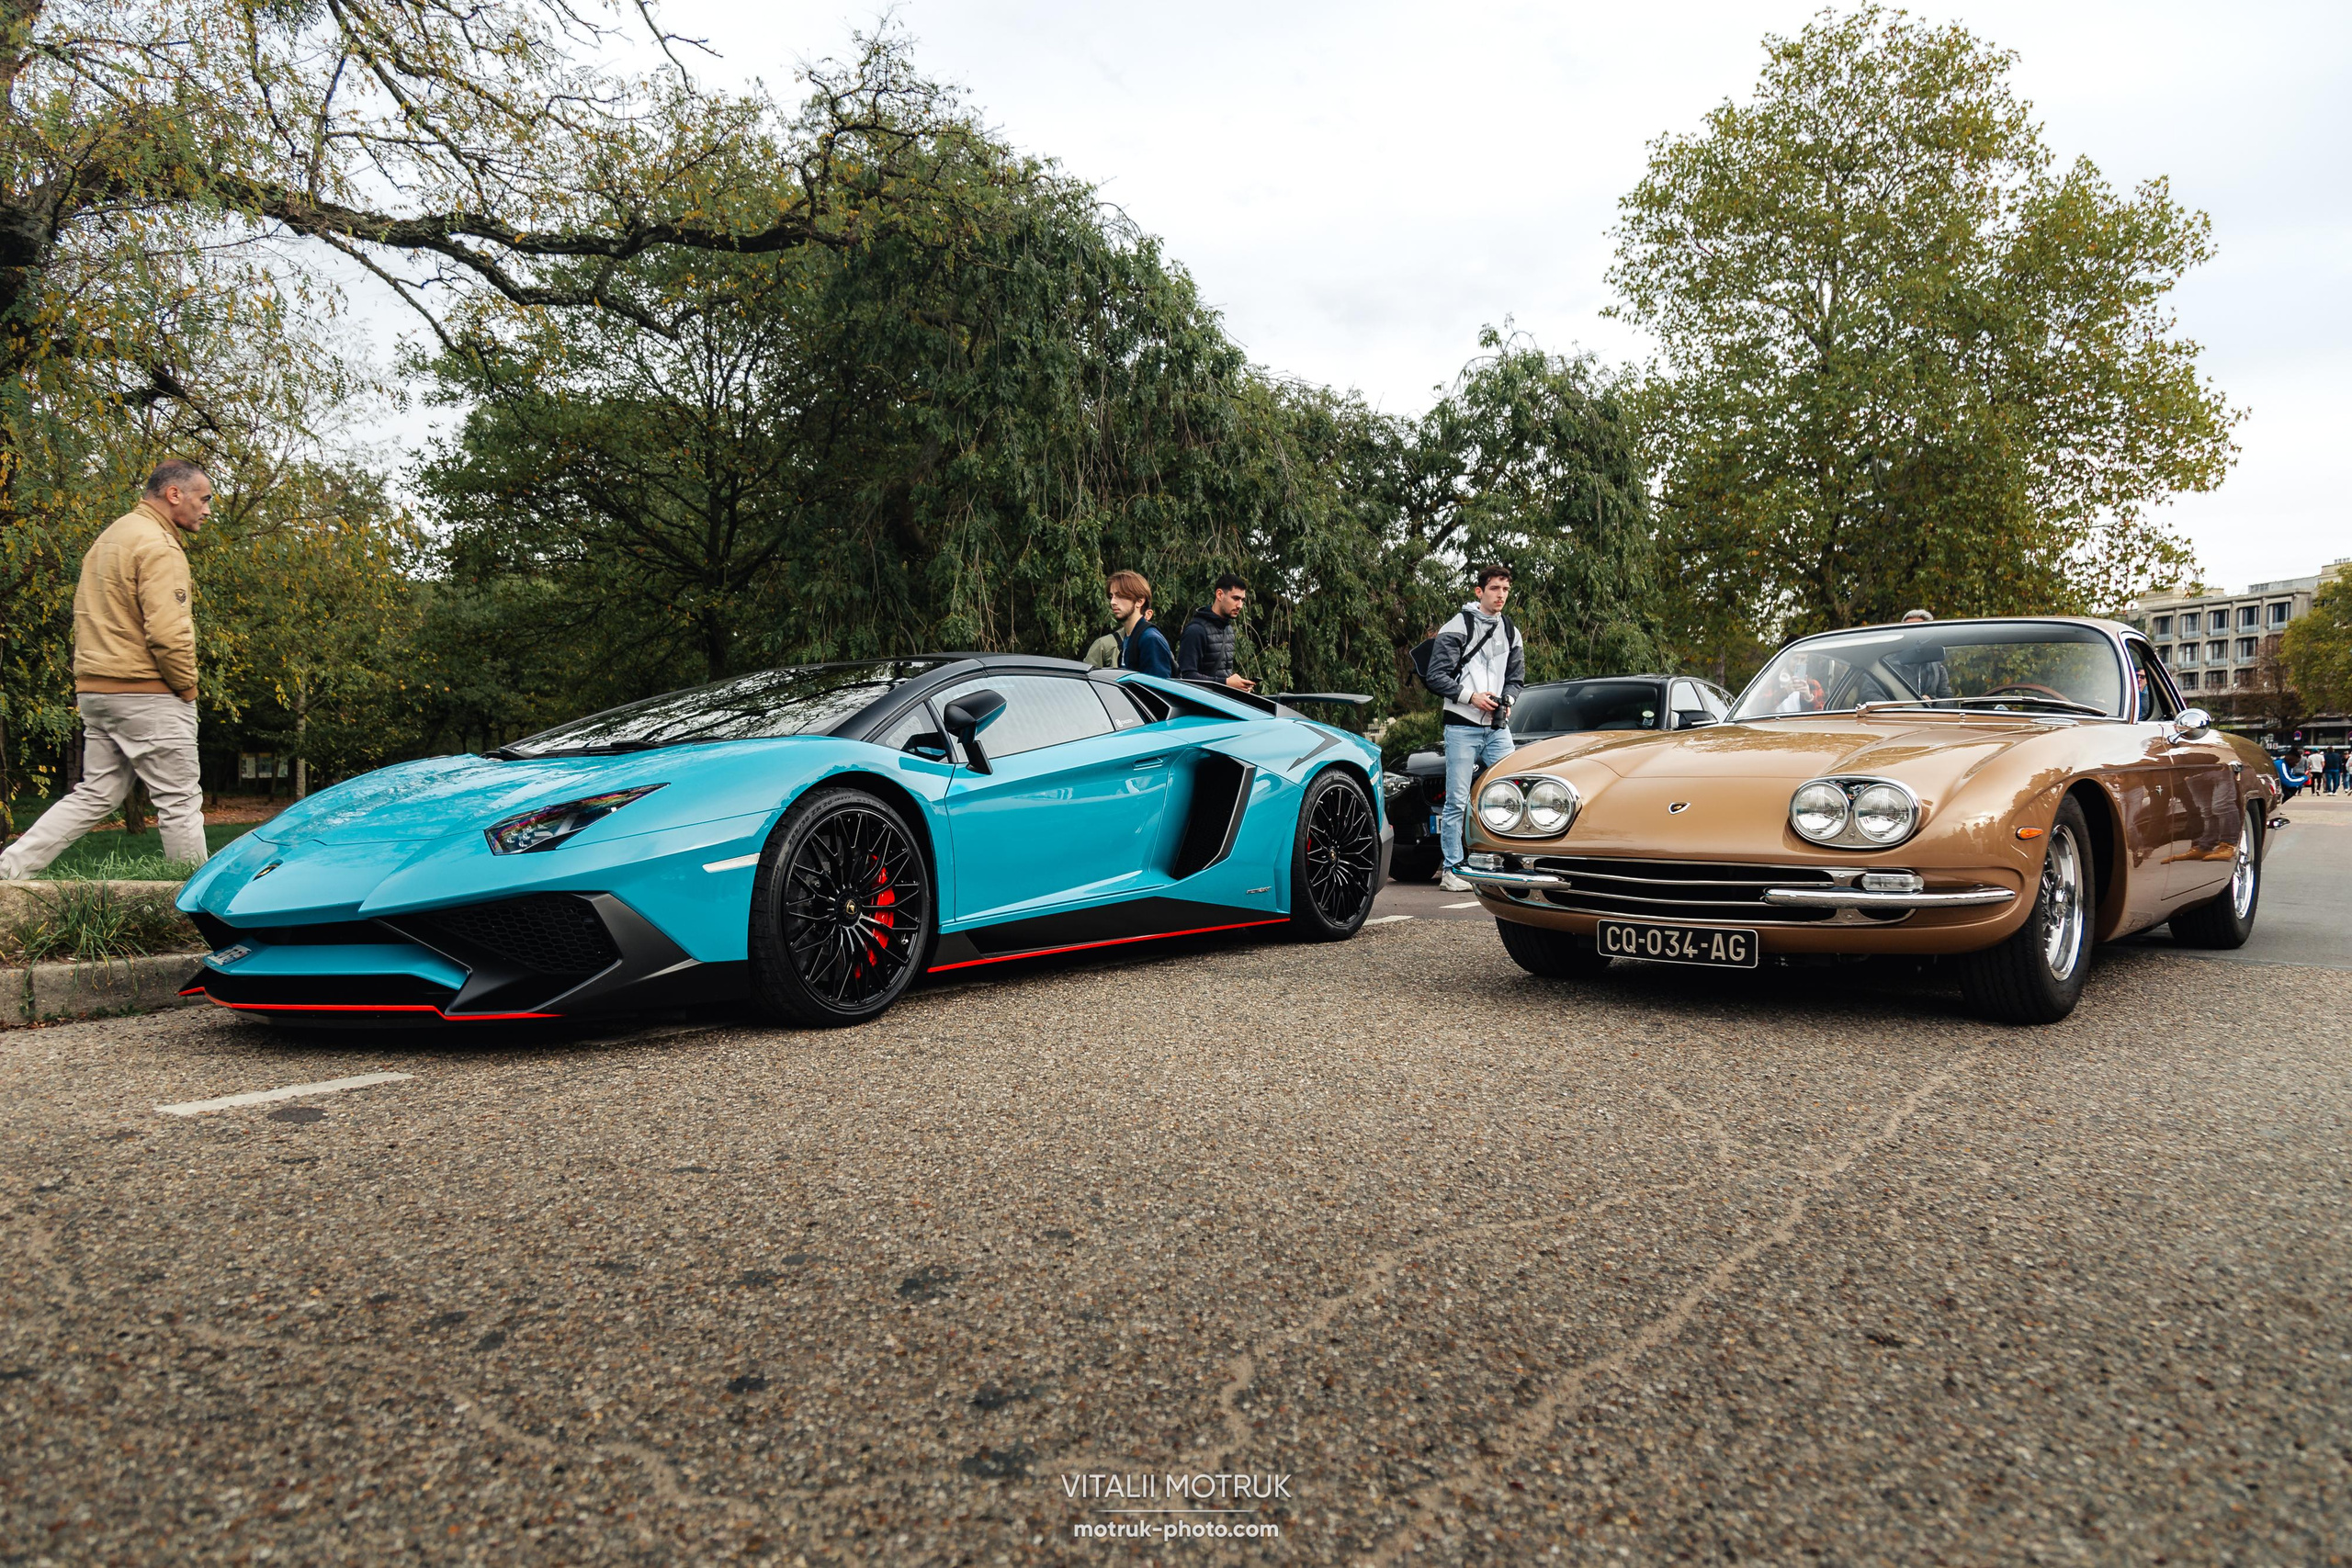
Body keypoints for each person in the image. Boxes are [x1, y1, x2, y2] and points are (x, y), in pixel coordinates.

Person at [0, 460, 213, 878]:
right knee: (180, 799)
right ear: (175, 494)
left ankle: (7, 873)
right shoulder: (159, 546)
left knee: (96, 793)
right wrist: (187, 688)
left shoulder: (112, 536)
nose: (207, 510)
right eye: (203, 499)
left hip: (98, 691)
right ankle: (198, 912)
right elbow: (169, 634)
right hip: (147, 693)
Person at [1423, 565, 1525, 892]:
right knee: (1456, 800)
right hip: (1462, 726)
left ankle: (1511, 862)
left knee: (1514, 790)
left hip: (1497, 727)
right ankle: (1452, 870)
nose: (1501, 595)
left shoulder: (1510, 630)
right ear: (1479, 592)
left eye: (1505, 590)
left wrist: (1507, 698)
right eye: (1495, 589)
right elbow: (1435, 675)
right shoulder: (1457, 626)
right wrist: (1471, 698)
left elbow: (1516, 677)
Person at [1178, 573, 1254, 691]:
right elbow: (1186, 676)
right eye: (1235, 598)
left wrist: (1238, 686)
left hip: (1220, 704)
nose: (1240, 605)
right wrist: (1226, 683)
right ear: (1219, 594)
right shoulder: (1196, 630)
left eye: (1242, 600)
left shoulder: (1228, 630)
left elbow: (1222, 673)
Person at [1108, 570, 1174, 678]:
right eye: (1112, 596)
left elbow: (1157, 689)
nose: (1112, 602)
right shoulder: (1130, 637)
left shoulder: (1150, 639)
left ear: (1139, 601)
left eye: (1119, 595)